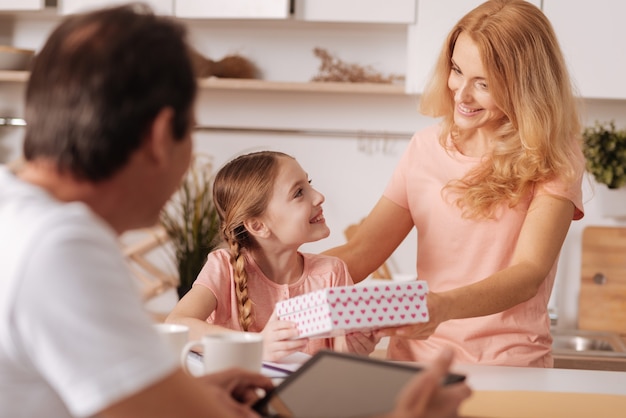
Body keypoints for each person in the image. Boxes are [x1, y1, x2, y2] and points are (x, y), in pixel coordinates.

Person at [0, 3, 471, 418]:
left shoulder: (17, 216)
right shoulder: (62, 249)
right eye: (193, 131)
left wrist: (195, 394)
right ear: (162, 136)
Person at [325, 0, 585, 368]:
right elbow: (363, 249)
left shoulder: (554, 157)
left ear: (524, 87)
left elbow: (528, 273)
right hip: (416, 362)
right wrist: (272, 274)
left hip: (506, 366)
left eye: (483, 83)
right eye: (457, 71)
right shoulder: (424, 147)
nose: (461, 94)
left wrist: (441, 307)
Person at [166, 151, 378, 361]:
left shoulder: (332, 272)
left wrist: (355, 347)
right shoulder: (225, 267)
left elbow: (339, 359)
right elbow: (177, 325)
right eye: (298, 193)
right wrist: (256, 346)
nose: (319, 197)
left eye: (309, 184)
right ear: (258, 225)